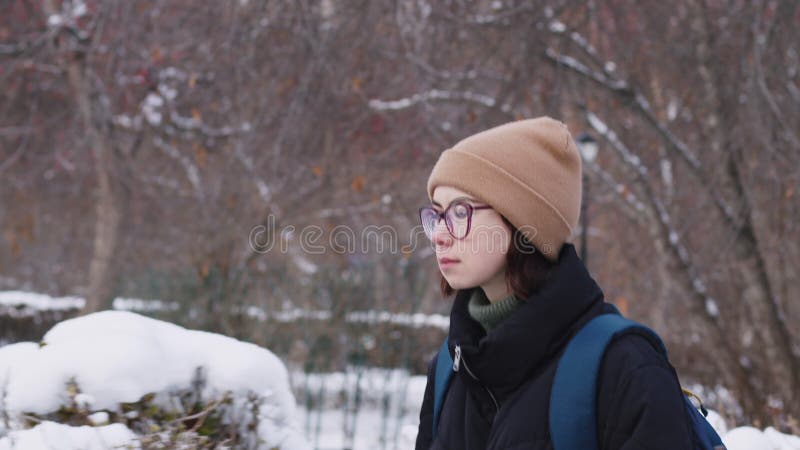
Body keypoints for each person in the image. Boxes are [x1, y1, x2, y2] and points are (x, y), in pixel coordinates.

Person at [414, 117, 695, 449]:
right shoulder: (451, 368)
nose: (441, 235)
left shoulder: (626, 369)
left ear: (523, 221)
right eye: (437, 215)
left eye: (460, 213)